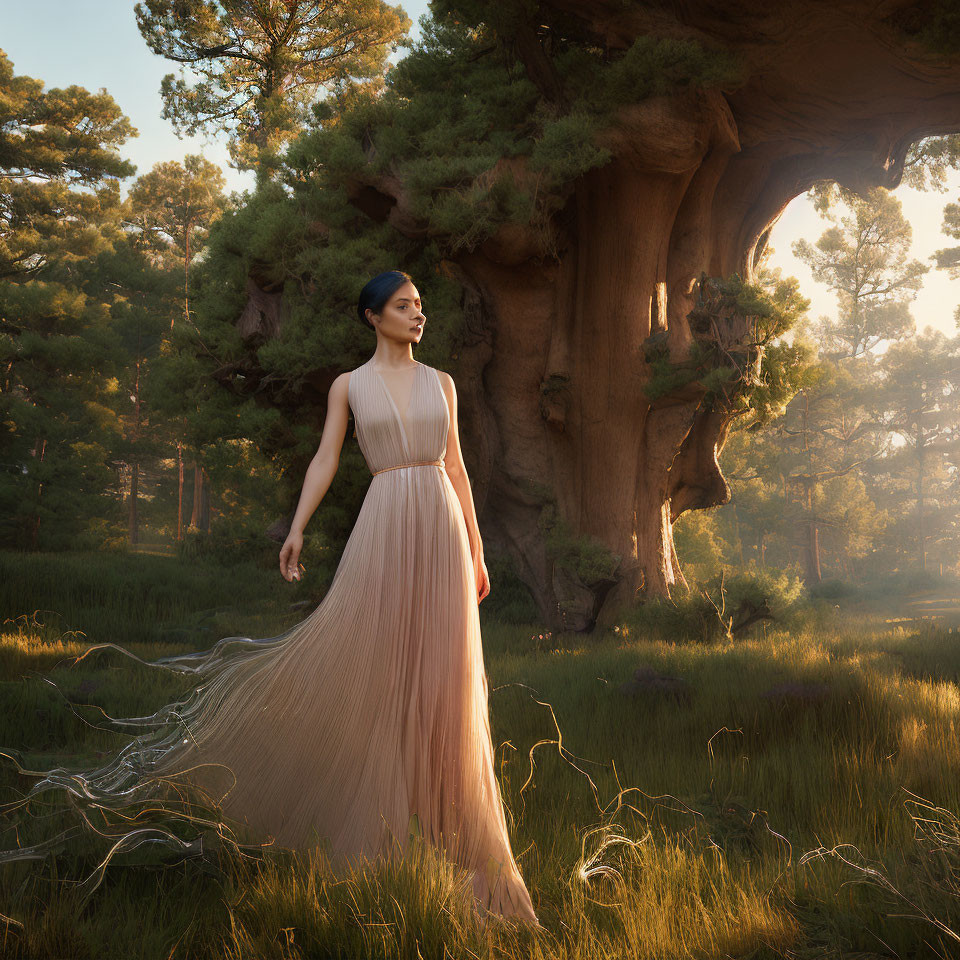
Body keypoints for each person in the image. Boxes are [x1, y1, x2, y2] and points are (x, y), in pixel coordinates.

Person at [0, 270, 541, 928]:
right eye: (403, 306)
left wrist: (479, 550)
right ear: (373, 316)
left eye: (421, 306)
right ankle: (386, 835)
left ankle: (455, 839)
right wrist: (298, 526)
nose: (417, 315)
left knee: (445, 680)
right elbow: (325, 459)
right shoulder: (351, 386)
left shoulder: (443, 384)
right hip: (386, 521)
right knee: (378, 669)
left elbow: (455, 467)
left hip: (441, 529)